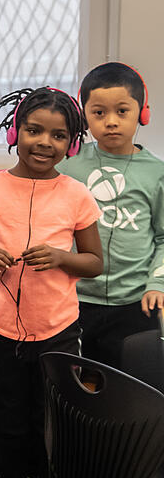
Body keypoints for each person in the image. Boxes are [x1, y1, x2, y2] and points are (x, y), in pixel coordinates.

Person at [0, 87, 103, 478]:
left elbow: (94, 262)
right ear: (15, 132)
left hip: (57, 328)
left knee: (51, 418)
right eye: (34, 130)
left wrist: (62, 257)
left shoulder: (76, 194)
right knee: (7, 415)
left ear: (72, 143)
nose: (45, 142)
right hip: (2, 327)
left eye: (58, 135)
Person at [58, 63, 164, 366]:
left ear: (142, 113)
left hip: (134, 302)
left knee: (129, 385)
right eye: (99, 113)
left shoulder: (156, 173)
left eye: (122, 111)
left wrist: (157, 284)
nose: (111, 122)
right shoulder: (69, 165)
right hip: (74, 299)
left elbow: (163, 238)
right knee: (76, 382)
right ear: (84, 116)